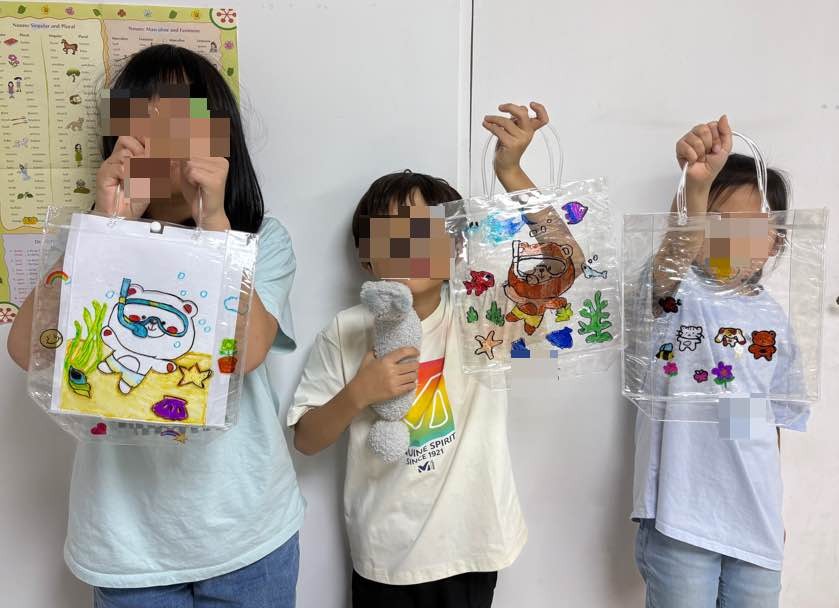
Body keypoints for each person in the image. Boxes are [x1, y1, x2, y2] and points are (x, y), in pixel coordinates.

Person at [7, 44, 303, 608]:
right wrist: (104, 228)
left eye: (184, 118)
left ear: (219, 138)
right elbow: (27, 349)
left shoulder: (260, 239)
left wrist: (214, 223)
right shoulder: (94, 236)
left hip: (248, 530)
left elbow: (249, 353)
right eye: (144, 119)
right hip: (125, 546)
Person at [289, 103, 550, 607]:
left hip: (471, 547)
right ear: (366, 256)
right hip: (384, 556)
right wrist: (357, 394)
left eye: (428, 232)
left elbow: (563, 266)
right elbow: (306, 439)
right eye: (393, 234)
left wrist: (512, 173)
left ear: (457, 250)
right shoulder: (347, 330)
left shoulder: (484, 313)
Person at [631, 115, 808, 608]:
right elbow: (673, 256)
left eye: (753, 228)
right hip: (681, 518)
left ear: (777, 240)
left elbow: (764, 420)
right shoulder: (677, 294)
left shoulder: (774, 318)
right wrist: (695, 185)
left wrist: (772, 507)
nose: (735, 240)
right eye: (719, 222)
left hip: (754, 524)